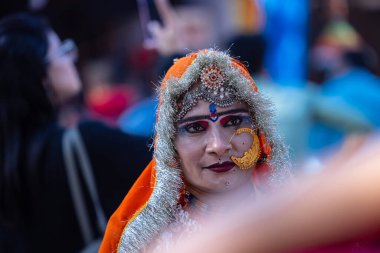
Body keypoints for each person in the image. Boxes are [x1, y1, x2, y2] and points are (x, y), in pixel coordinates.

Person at [99, 49, 292, 253]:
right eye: (195, 128)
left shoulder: (300, 219)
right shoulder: (151, 244)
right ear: (170, 146)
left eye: (234, 122)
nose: (218, 145)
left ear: (259, 131)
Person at [0, 13, 152, 253]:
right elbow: (171, 155)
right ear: (42, 78)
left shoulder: (11, 168)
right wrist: (174, 60)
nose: (73, 56)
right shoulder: (86, 142)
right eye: (62, 50)